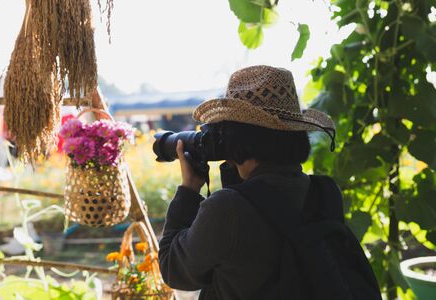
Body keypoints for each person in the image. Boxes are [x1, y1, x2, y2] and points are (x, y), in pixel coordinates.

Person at [158, 65, 380, 300]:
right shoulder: (325, 192)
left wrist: (189, 190)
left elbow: (174, 269)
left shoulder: (228, 208)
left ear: (236, 137)